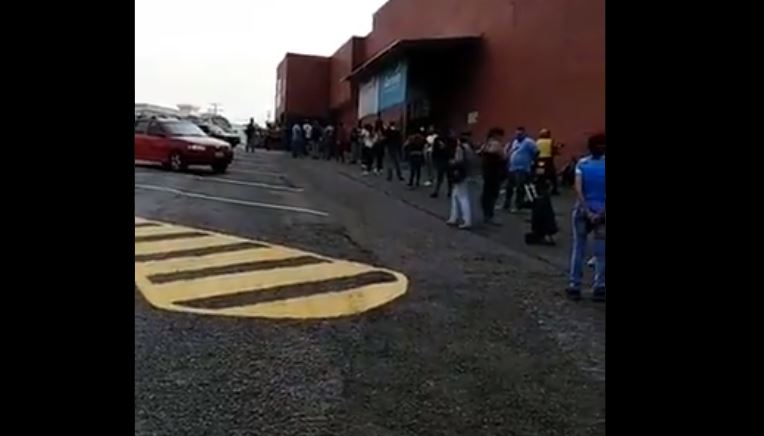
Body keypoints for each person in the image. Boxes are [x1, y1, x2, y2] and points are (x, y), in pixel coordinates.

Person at [566, 132, 606, 302]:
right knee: (601, 252)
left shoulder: (582, 164)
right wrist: (601, 212)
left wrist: (587, 210)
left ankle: (575, 285)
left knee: (579, 248)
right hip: (602, 213)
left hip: (582, 211)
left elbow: (578, 189)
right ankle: (599, 287)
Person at [503, 126, 538, 212]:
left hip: (523, 168)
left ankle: (518, 205)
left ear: (524, 134)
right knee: (509, 187)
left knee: (520, 187)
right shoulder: (515, 142)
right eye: (517, 134)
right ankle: (506, 205)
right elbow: (512, 151)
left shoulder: (529, 142)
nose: (518, 136)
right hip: (512, 167)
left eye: (520, 134)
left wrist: (532, 161)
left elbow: (537, 152)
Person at [478, 127, 507, 225]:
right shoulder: (496, 144)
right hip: (494, 173)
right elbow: (503, 156)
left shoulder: (485, 144)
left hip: (487, 172)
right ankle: (489, 215)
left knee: (487, 193)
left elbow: (480, 153)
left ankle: (486, 214)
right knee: (492, 194)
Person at [446, 132, 473, 229]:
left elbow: (458, 161)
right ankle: (454, 217)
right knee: (456, 195)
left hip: (459, 174)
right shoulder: (468, 148)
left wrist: (452, 162)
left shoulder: (460, 148)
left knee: (462, 197)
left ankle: (466, 220)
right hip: (465, 174)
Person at [535, 128, 560, 195]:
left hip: (539, 160)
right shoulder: (550, 141)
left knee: (540, 174)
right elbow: (553, 150)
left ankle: (538, 189)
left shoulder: (537, 141)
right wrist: (557, 152)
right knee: (552, 175)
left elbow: (536, 151)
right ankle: (554, 190)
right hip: (548, 160)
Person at [430, 129, 453, 198]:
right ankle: (449, 191)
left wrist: (434, 159)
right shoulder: (450, 140)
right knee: (448, 177)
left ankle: (436, 191)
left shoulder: (438, 140)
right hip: (447, 159)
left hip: (442, 159)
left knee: (441, 177)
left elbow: (434, 151)